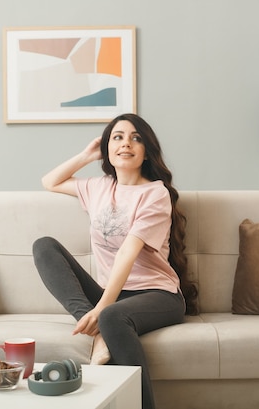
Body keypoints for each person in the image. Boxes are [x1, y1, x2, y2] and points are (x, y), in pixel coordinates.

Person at [32, 113, 197, 409]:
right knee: (44, 247)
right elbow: (49, 181)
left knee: (111, 315)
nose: (126, 143)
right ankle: (96, 327)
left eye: (136, 138)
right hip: (115, 294)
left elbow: (127, 252)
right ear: (107, 147)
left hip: (158, 295)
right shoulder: (98, 187)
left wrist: (104, 307)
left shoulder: (154, 194)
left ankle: (140, 398)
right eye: (117, 137)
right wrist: (86, 155)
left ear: (147, 151)